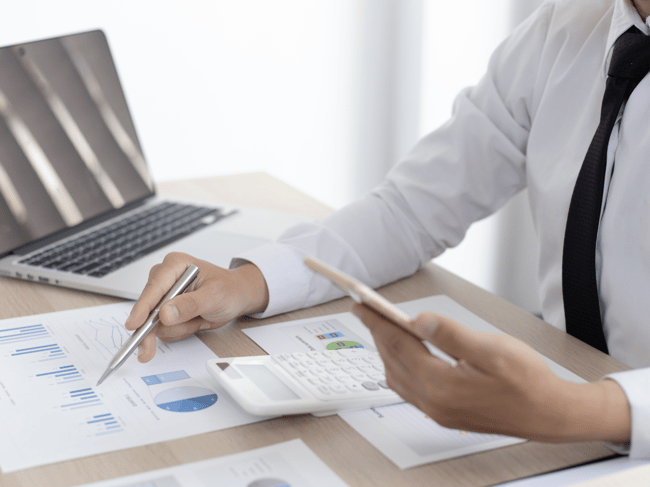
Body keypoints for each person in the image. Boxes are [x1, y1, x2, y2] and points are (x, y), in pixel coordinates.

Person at [126, 0, 649, 458]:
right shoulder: (564, 26)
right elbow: (412, 208)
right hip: (561, 397)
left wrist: (582, 411)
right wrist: (249, 282)